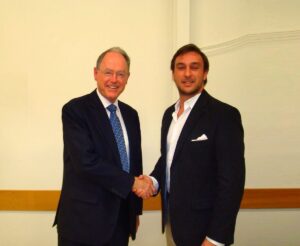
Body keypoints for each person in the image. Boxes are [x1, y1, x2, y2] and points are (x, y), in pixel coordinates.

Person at [140, 44, 245, 246]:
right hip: (172, 226)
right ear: (173, 74)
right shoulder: (168, 115)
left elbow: (232, 183)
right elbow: (169, 159)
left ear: (205, 73)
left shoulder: (224, 116)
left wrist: (215, 239)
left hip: (205, 233)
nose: (187, 73)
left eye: (194, 67)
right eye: (181, 67)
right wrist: (153, 181)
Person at [53, 47, 154, 246]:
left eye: (121, 74)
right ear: (95, 73)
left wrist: (134, 210)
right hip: (83, 225)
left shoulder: (131, 115)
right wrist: (132, 183)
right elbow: (85, 162)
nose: (114, 79)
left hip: (121, 223)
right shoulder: (75, 110)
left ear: (127, 78)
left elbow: (134, 163)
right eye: (108, 72)